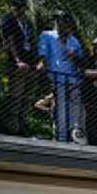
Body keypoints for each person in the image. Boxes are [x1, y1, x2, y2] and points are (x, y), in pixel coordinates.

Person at [37, 11, 83, 142]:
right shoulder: (47, 35)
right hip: (57, 78)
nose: (66, 25)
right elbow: (43, 56)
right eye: (63, 22)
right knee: (61, 110)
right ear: (58, 23)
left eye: (68, 23)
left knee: (74, 111)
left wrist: (75, 56)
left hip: (74, 80)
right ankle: (61, 139)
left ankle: (74, 138)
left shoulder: (74, 40)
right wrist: (45, 74)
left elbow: (82, 61)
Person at [0, 0, 35, 136]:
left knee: (28, 94)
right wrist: (17, 61)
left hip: (30, 62)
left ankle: (22, 124)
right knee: (16, 94)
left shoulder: (27, 22)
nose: (19, 9)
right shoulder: (8, 19)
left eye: (21, 7)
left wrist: (36, 63)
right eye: (17, 6)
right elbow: (9, 40)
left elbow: (32, 41)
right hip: (16, 63)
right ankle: (11, 126)